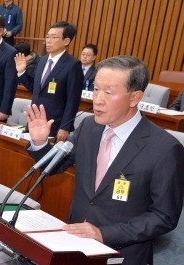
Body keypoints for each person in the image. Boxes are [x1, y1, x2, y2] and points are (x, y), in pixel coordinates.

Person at [25, 55, 183, 264]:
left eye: (108, 92)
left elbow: (164, 216)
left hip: (123, 254)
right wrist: (40, 143)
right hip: (75, 246)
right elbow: (57, 166)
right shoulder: (88, 127)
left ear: (135, 98)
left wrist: (104, 233)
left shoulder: (164, 148)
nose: (98, 99)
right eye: (96, 89)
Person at [15, 21, 83, 141]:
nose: (48, 40)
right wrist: (21, 72)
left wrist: (65, 127)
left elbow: (73, 99)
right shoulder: (42, 60)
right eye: (47, 36)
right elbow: (35, 89)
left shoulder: (73, 65)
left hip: (54, 124)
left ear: (66, 41)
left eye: (54, 37)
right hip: (34, 121)